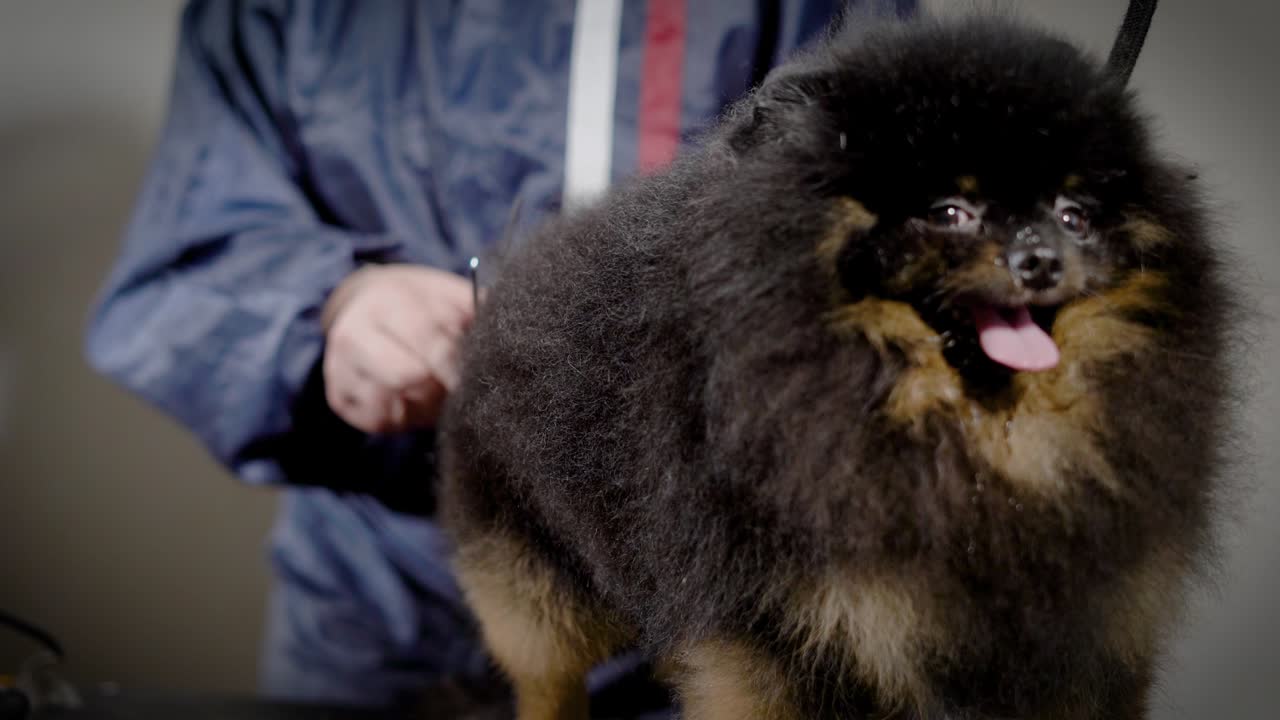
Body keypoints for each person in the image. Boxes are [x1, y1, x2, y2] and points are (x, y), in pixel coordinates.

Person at [84, 0, 916, 713]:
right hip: (380, 611)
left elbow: (894, 221)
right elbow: (188, 252)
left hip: (718, 609)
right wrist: (332, 304)